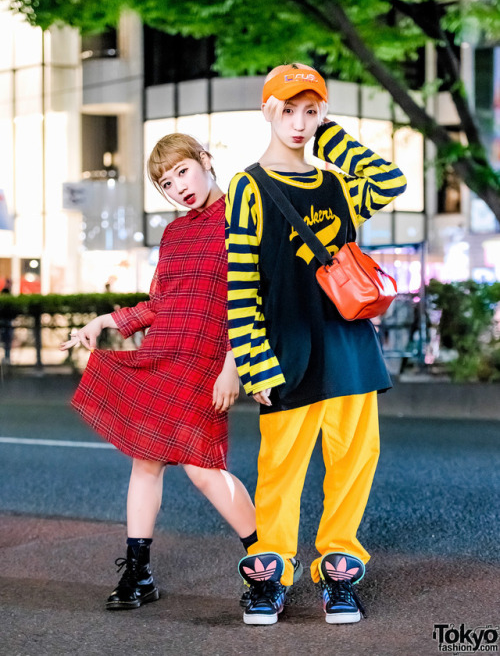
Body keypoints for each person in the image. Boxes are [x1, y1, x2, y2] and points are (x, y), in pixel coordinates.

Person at [225, 63, 407, 625]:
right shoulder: (248, 185)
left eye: (311, 111)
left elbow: (390, 181)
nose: (299, 123)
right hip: (287, 352)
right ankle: (270, 574)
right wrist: (253, 362)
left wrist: (329, 136)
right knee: (281, 469)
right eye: (288, 111)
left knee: (354, 462)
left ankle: (339, 570)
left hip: (350, 345)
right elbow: (242, 282)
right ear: (266, 111)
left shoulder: (337, 184)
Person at [61, 133, 256, 611]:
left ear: (205, 161)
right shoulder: (174, 233)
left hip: (207, 360)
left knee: (205, 470)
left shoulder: (243, 217)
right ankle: (138, 573)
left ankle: (267, 558)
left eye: (183, 172)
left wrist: (233, 368)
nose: (178, 188)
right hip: (164, 353)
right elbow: (161, 304)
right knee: (145, 460)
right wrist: (105, 321)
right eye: (167, 183)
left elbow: (254, 299)